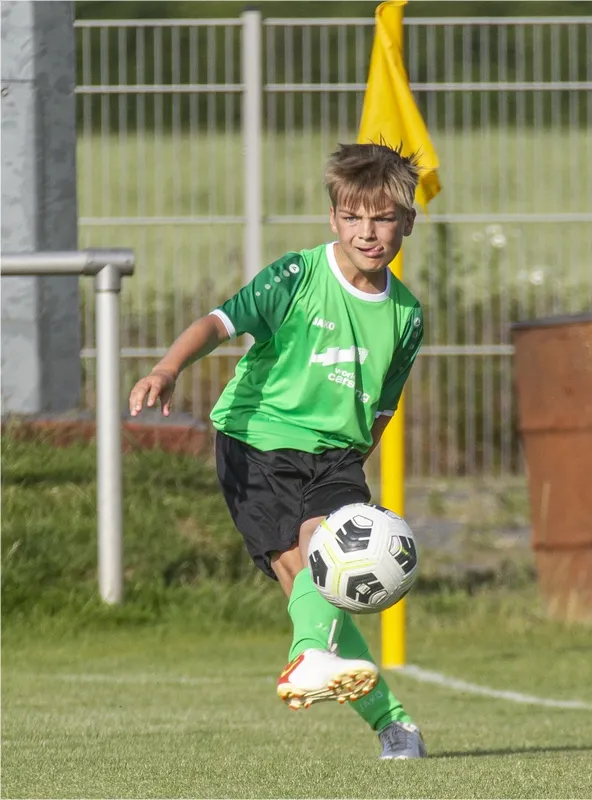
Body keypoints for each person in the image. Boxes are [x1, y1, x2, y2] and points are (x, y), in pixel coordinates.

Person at [128, 142, 428, 759]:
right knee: (312, 583)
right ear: (332, 218)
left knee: (327, 571)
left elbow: (382, 406)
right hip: (256, 441)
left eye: (382, 219)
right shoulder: (298, 276)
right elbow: (219, 322)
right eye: (353, 217)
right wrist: (167, 368)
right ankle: (391, 721)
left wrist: (355, 460)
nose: (367, 233)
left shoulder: (406, 316)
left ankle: (312, 659)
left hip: (337, 455)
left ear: (407, 221)